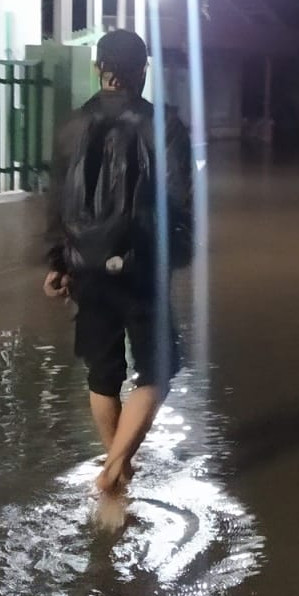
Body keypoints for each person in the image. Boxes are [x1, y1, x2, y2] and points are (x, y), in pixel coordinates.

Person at [44, 30, 193, 496]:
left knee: (102, 375)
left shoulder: (70, 126)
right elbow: (178, 201)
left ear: (97, 68)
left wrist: (58, 263)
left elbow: (58, 204)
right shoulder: (163, 125)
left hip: (85, 268)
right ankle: (111, 474)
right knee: (157, 370)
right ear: (144, 71)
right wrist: (179, 252)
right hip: (143, 267)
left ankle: (118, 474)